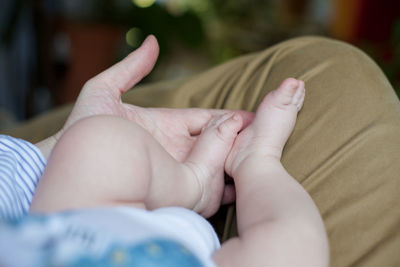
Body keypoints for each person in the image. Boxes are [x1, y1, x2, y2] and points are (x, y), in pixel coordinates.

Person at [1, 34, 400, 266]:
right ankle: (241, 166)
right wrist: (258, 164)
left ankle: (192, 184)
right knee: (293, 249)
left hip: (47, 244)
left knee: (98, 141)